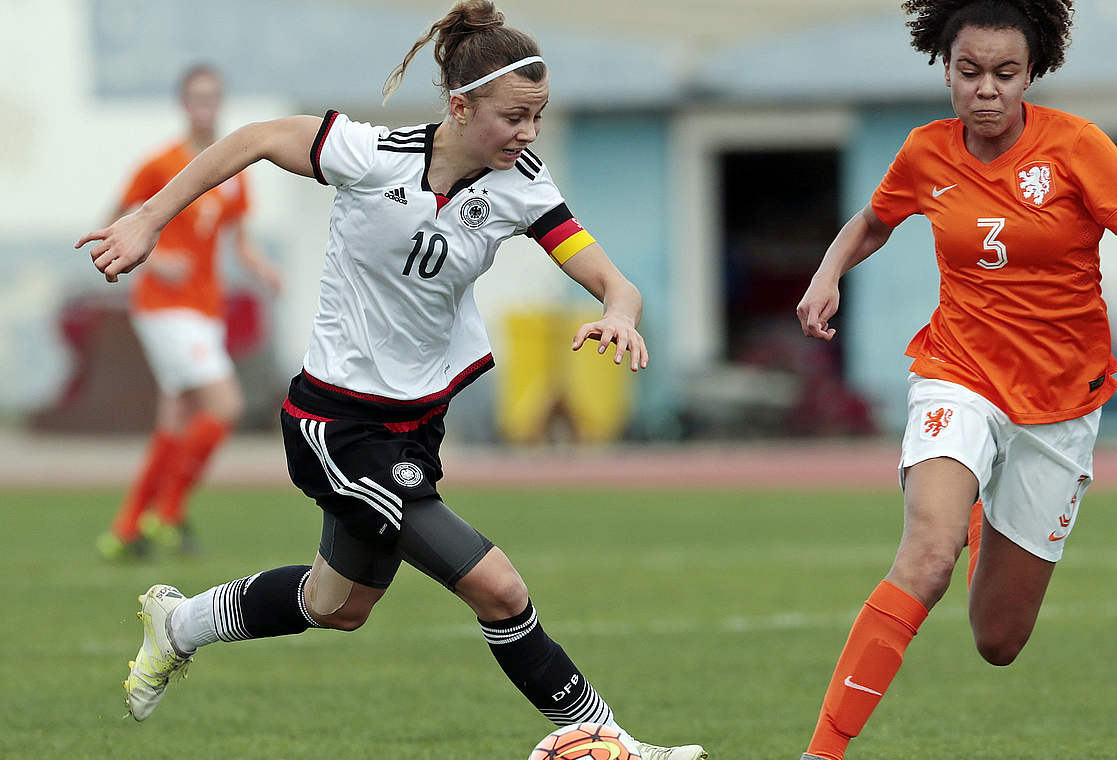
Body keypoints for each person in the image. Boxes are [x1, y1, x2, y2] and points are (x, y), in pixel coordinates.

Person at [75, 3, 705, 758]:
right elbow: (252, 140)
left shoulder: (522, 186)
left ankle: (179, 624)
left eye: (538, 117)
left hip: (414, 426)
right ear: (460, 105)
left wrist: (621, 312)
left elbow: (613, 281)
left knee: (336, 605)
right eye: (515, 117)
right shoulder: (369, 153)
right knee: (499, 588)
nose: (529, 134)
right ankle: (615, 744)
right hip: (336, 424)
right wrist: (148, 218)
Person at [792, 1, 1117, 758]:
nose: (986, 89)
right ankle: (819, 753)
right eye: (969, 72)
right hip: (956, 373)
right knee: (927, 558)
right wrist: (830, 270)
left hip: (1061, 405)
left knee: (997, 640)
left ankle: (982, 510)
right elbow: (873, 220)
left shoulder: (1078, 148)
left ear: (1033, 74)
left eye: (1005, 73)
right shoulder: (925, 152)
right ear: (946, 70)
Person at [96, 63, 282, 560]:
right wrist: (155, 258)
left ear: (219, 103)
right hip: (163, 307)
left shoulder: (232, 171)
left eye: (212, 97)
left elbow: (239, 242)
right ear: (184, 104)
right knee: (225, 406)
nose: (205, 106)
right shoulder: (161, 163)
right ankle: (168, 513)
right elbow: (113, 219)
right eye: (196, 98)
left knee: (176, 419)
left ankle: (126, 529)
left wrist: (262, 269)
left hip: (204, 307)